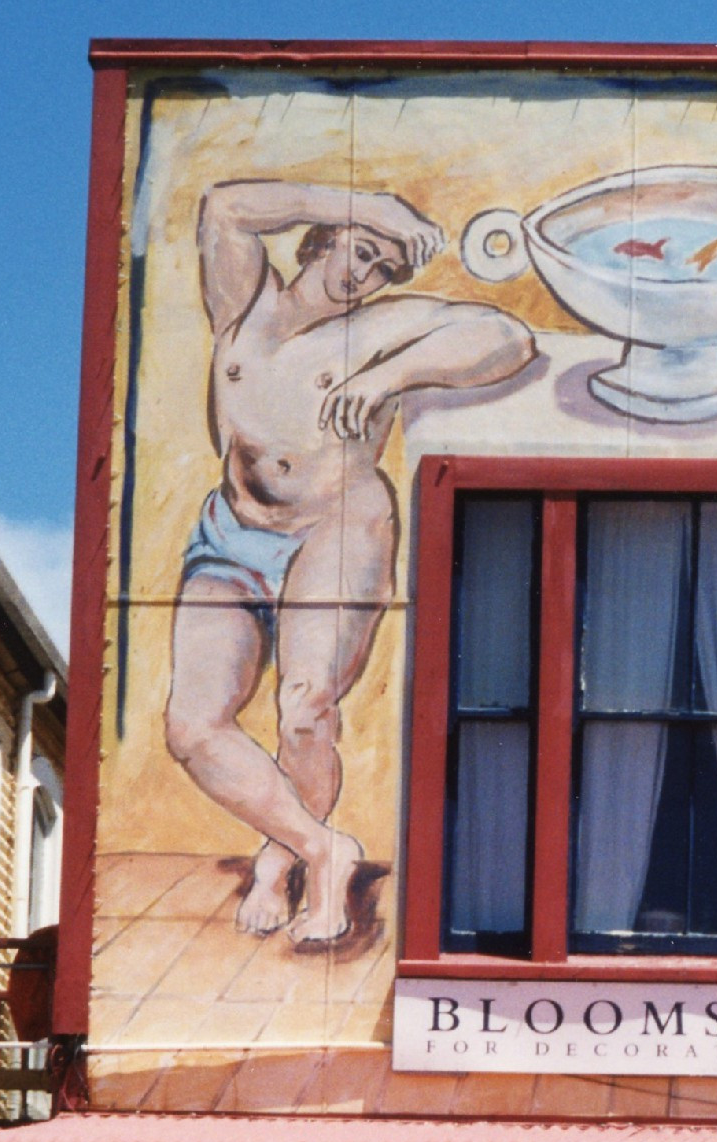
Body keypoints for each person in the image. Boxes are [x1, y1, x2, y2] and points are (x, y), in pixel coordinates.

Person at [165, 180, 535, 944]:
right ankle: (316, 844)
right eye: (358, 251)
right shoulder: (244, 305)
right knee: (192, 726)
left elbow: (507, 338)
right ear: (323, 237)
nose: (360, 275)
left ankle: (286, 863)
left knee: (304, 710)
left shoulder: (379, 329)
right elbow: (224, 209)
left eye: (379, 267)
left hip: (338, 528)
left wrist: (385, 377)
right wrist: (379, 211)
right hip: (233, 534)